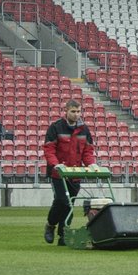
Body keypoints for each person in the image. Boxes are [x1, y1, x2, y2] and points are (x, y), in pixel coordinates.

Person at [43, 99, 96, 246]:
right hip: (58, 173)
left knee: (70, 204)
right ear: (66, 111)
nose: (76, 114)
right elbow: (49, 149)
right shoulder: (56, 128)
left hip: (75, 173)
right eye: (73, 111)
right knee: (62, 201)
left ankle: (63, 234)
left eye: (78, 111)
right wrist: (56, 164)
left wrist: (91, 164)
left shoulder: (84, 130)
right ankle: (50, 225)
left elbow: (87, 151)